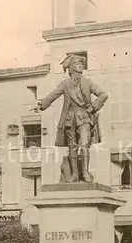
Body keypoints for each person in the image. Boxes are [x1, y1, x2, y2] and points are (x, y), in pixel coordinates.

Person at [33, 54, 108, 183]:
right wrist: (42, 104)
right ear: (72, 68)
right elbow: (53, 95)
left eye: (82, 65)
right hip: (70, 119)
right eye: (79, 65)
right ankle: (74, 175)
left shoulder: (87, 82)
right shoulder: (65, 84)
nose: (81, 67)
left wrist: (92, 108)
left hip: (84, 117)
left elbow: (103, 94)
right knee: (72, 147)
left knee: (84, 144)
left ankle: (85, 173)